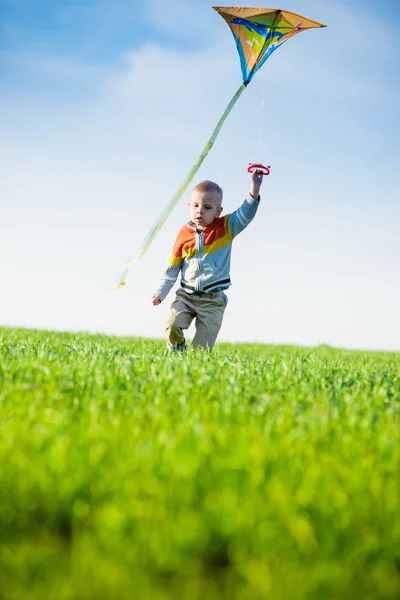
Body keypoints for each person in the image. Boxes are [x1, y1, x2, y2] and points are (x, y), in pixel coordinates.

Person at [152, 171, 264, 351]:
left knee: (201, 350)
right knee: (171, 325)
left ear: (218, 211)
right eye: (196, 205)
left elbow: (246, 214)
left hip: (213, 301)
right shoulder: (183, 234)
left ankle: (195, 368)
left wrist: (254, 189)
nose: (200, 210)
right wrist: (160, 291)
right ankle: (177, 352)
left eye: (207, 207)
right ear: (189, 206)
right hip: (186, 296)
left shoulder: (226, 228)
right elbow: (172, 267)